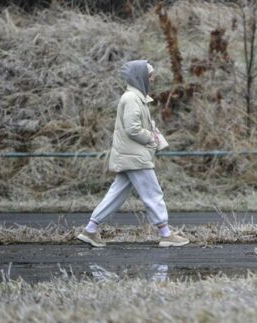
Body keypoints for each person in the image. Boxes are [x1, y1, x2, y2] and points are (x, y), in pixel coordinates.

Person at [77, 60, 189, 248]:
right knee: (153, 194)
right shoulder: (132, 99)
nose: (152, 79)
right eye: (150, 76)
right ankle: (166, 234)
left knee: (116, 195)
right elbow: (133, 128)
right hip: (135, 157)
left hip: (129, 156)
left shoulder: (135, 98)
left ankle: (90, 230)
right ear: (141, 77)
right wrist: (151, 139)